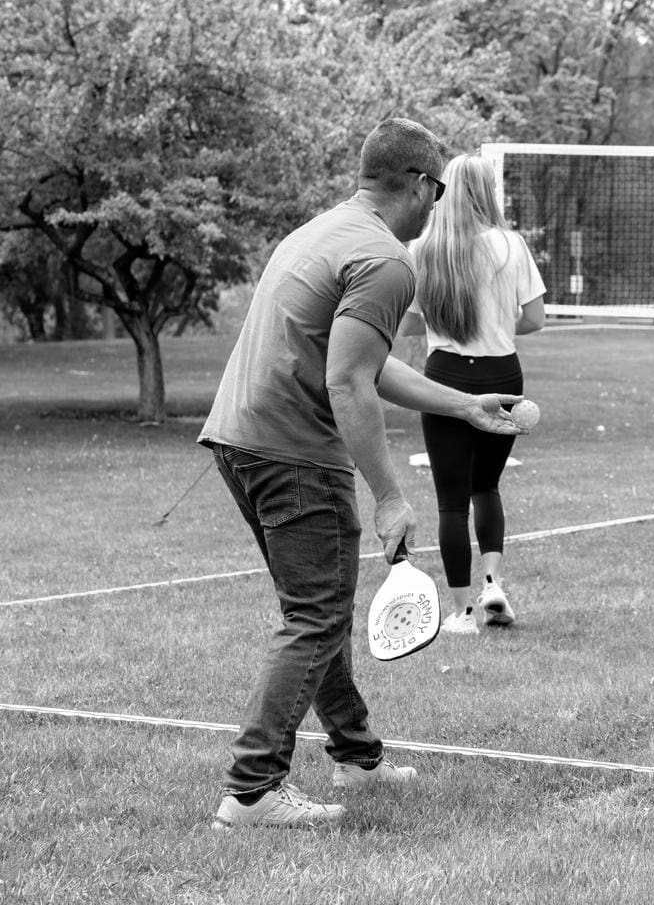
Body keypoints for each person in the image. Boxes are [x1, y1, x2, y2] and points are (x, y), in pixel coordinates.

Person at [198, 118, 528, 830]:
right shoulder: (385, 260)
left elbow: (370, 362)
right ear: (416, 183)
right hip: (291, 451)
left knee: (317, 607)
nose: (437, 205)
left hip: (239, 440)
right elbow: (348, 383)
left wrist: (464, 403)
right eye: (436, 190)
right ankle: (252, 790)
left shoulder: (320, 232)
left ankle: (355, 753)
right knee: (314, 616)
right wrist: (388, 497)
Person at [407, 153, 546, 634]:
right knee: (486, 485)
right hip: (503, 375)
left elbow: (406, 317)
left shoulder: (423, 248)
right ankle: (493, 583)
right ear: (488, 192)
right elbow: (535, 319)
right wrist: (497, 324)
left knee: (450, 500)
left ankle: (464, 612)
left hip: (444, 373)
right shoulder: (512, 245)